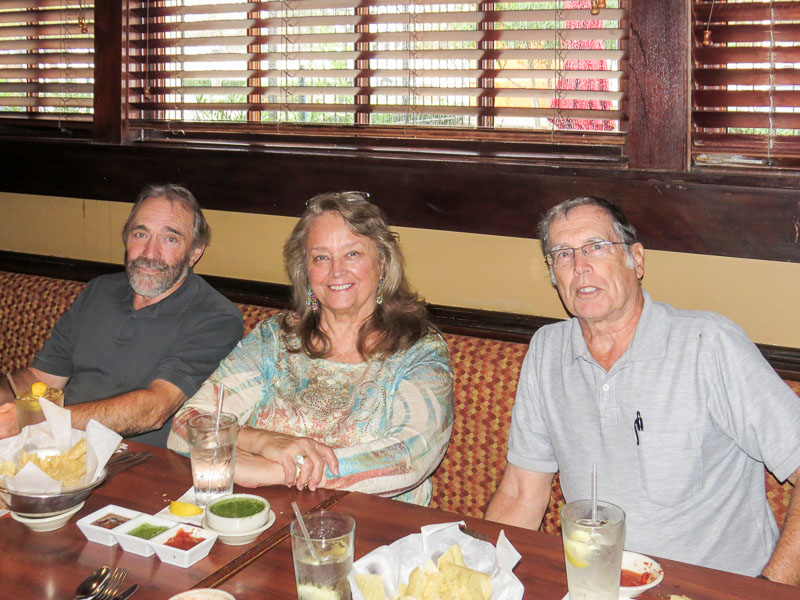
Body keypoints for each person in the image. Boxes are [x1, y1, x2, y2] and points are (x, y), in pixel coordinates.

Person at [485, 196, 800, 584]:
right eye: (563, 255)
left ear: (636, 260)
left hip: (715, 587)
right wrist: (479, 577)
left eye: (596, 247)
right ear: (554, 275)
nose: (580, 266)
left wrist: (771, 590)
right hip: (596, 586)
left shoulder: (708, 344)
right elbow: (521, 493)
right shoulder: (547, 352)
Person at [168, 191, 453, 505]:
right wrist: (263, 441)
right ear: (305, 270)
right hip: (264, 517)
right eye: (321, 257)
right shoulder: (274, 338)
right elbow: (185, 428)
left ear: (382, 262)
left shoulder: (419, 349)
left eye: (352, 254)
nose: (336, 271)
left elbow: (411, 456)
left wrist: (277, 472)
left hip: (373, 530)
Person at [0, 184, 244, 447]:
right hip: (58, 445)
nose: (150, 253)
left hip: (136, 463)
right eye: (140, 234)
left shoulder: (216, 318)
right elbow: (41, 379)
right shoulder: (100, 291)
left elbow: (153, 410)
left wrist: (36, 420)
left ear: (195, 252)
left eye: (170, 239)